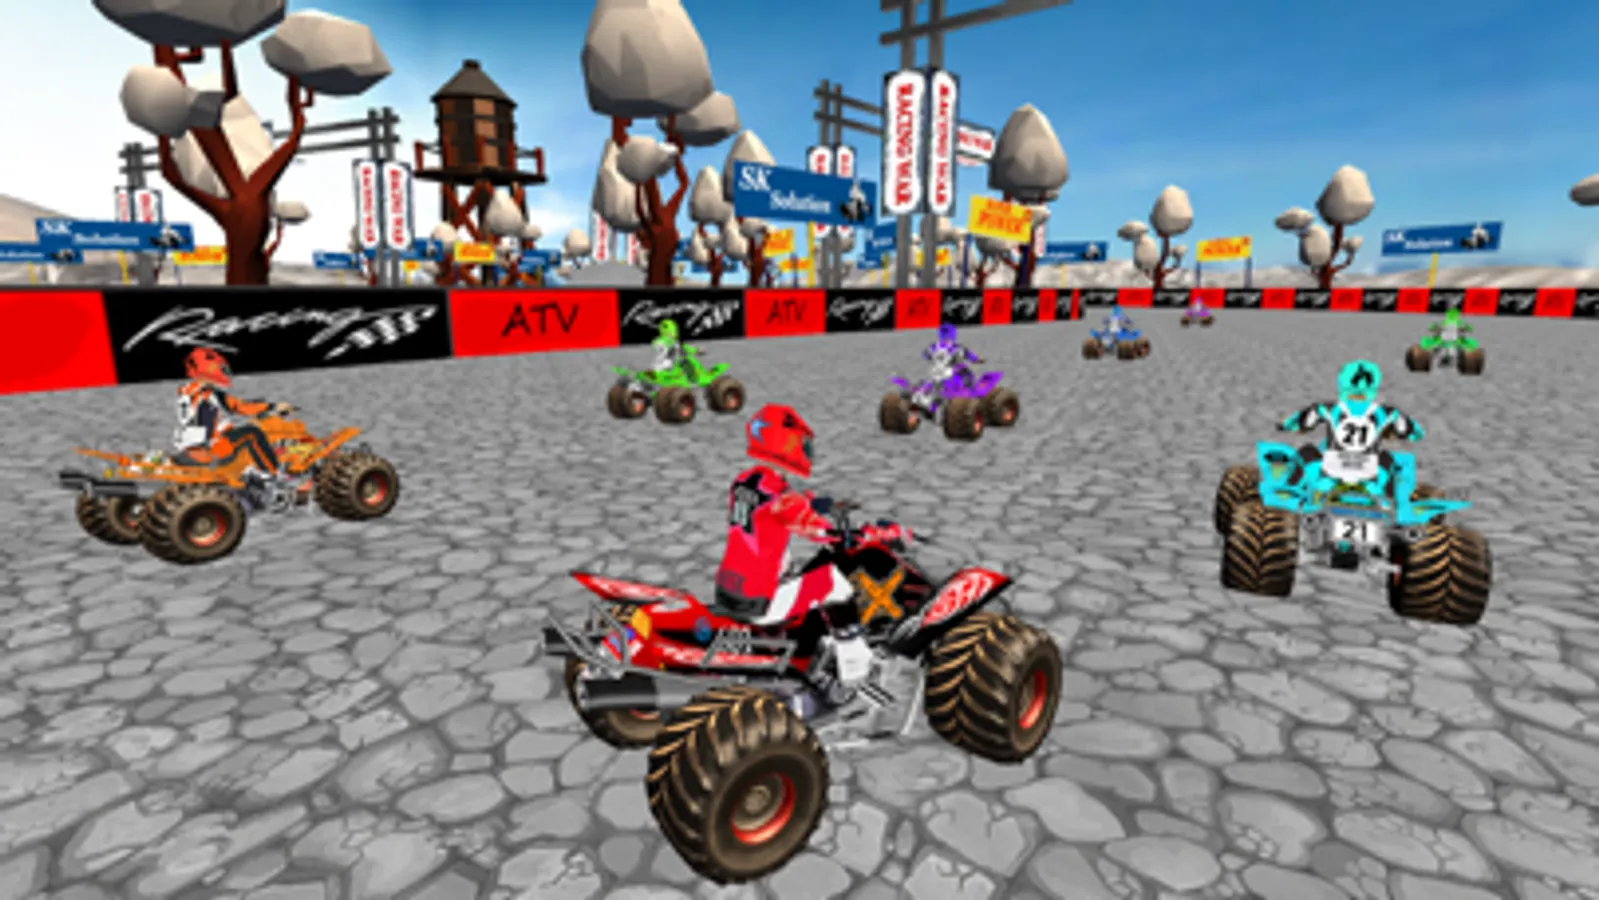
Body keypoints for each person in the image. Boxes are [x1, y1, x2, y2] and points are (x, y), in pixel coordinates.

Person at [714, 403, 886, 695]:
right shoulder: (781, 496)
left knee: (786, 564)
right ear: (783, 442)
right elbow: (819, 531)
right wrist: (859, 535)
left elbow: (776, 508)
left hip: (729, 588)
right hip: (759, 601)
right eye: (802, 444)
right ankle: (855, 669)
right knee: (835, 583)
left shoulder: (745, 481)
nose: (805, 451)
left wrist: (814, 501)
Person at [1277, 360, 1423, 496]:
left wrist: (1285, 425)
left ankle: (1288, 492)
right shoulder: (1387, 413)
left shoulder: (1327, 409)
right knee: (1389, 459)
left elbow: (1300, 422)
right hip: (1368, 477)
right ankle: (1390, 500)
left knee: (1306, 451)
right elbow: (1413, 432)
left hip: (1330, 475)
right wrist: (1402, 434)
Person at [173, 348, 291, 476]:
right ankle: (273, 475)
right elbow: (239, 407)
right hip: (209, 452)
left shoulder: (186, 390)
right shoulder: (209, 393)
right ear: (208, 368)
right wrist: (273, 406)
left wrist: (257, 404)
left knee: (236, 431)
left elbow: (209, 412)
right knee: (253, 434)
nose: (223, 372)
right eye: (220, 368)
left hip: (190, 449)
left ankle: (251, 470)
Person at [925, 324, 982, 388]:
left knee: (934, 380)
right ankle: (969, 388)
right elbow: (968, 354)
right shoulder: (956, 347)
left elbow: (926, 354)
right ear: (953, 334)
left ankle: (932, 386)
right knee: (965, 371)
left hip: (937, 370)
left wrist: (933, 357)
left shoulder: (934, 346)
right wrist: (976, 359)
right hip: (950, 370)